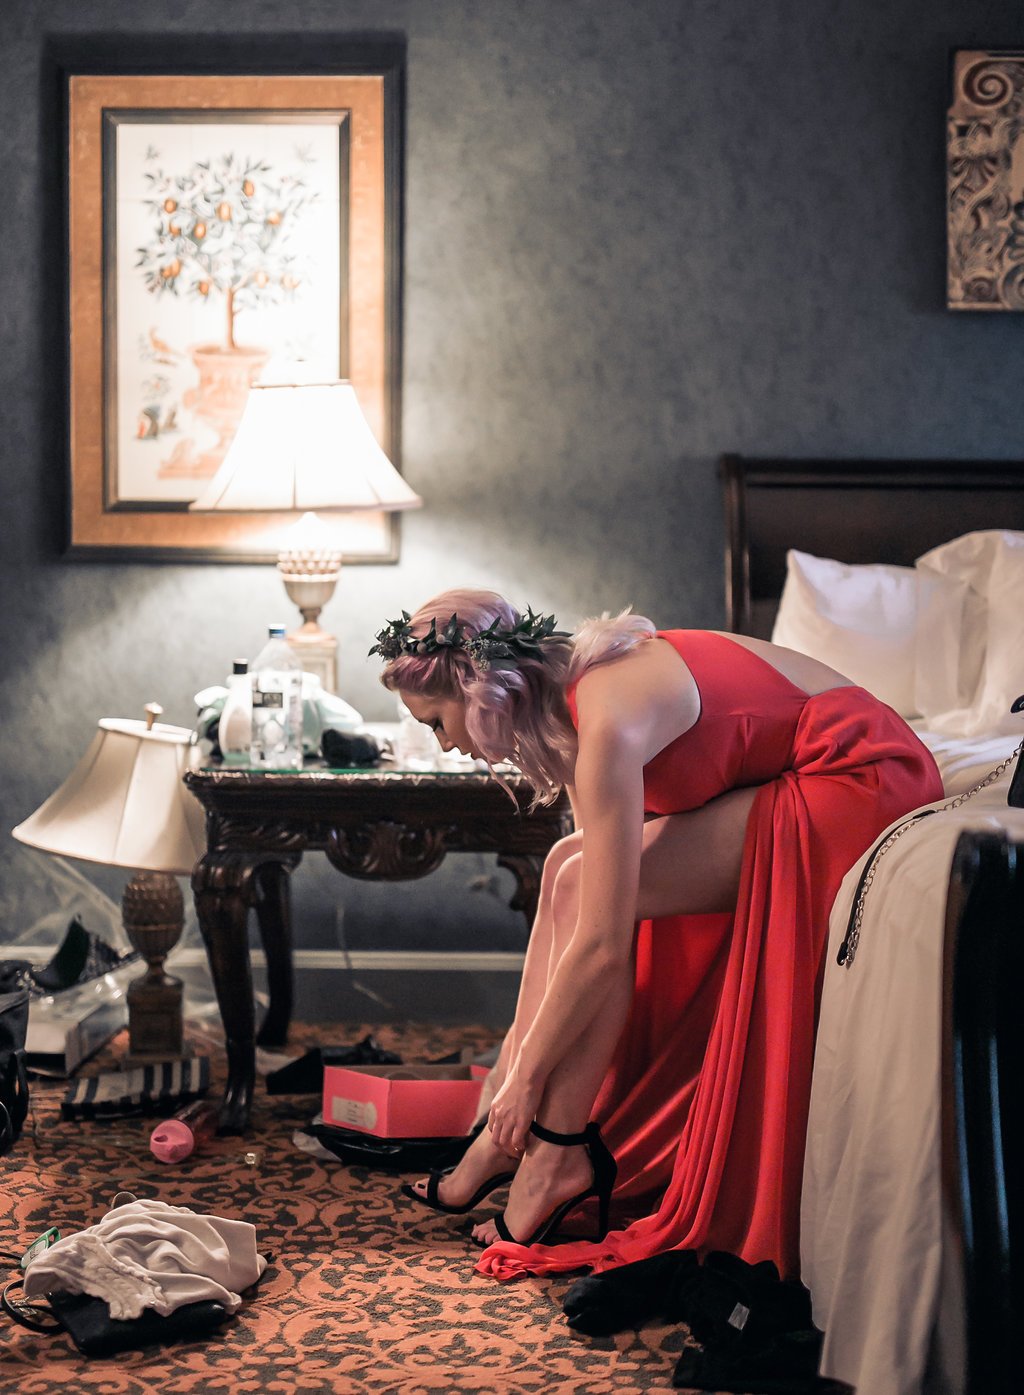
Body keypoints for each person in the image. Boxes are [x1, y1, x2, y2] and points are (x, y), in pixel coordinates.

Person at [369, 588, 943, 1283]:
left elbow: (605, 946)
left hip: (863, 773)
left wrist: (527, 1082)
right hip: (815, 766)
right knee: (567, 868)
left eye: (437, 722)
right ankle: (511, 1142)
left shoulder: (606, 716)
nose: (449, 745)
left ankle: (552, 1154)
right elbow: (590, 916)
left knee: (588, 894)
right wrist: (512, 1072)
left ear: (478, 689)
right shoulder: (568, 704)